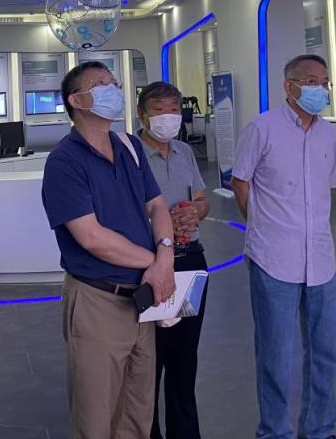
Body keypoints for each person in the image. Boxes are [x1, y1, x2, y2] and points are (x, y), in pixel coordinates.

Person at [42, 61, 176, 438]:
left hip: (143, 297)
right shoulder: (65, 161)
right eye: (101, 84)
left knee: (137, 411)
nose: (113, 89)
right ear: (76, 100)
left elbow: (157, 206)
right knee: (96, 417)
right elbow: (91, 237)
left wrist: (166, 253)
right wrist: (156, 262)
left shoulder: (129, 146)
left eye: (114, 82)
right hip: (98, 300)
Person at [231, 54, 336, 439]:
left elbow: (329, 186)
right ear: (289, 86)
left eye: (324, 82)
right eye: (311, 81)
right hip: (273, 259)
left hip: (321, 259)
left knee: (326, 353)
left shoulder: (328, 134)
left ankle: (320, 429)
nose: (320, 89)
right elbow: (240, 181)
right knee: (275, 355)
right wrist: (260, 226)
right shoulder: (262, 128)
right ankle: (274, 432)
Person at [136, 81, 211, 439]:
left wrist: (195, 212)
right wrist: (162, 222)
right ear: (142, 115)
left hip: (190, 260)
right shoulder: (130, 156)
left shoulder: (184, 151)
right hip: (150, 264)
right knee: (150, 358)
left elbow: (202, 200)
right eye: (158, 109)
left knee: (184, 356)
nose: (168, 117)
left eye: (173, 109)